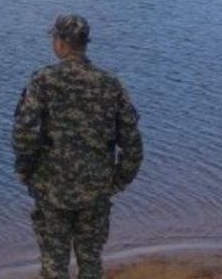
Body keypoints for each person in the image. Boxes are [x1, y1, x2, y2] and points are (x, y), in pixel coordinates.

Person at [12, 15, 144, 279]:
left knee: (53, 263)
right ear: (84, 43)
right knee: (91, 261)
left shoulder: (44, 80)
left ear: (60, 43)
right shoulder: (110, 83)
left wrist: (25, 170)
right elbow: (132, 143)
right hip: (96, 188)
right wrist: (118, 181)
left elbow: (24, 132)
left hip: (52, 187)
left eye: (54, 38)